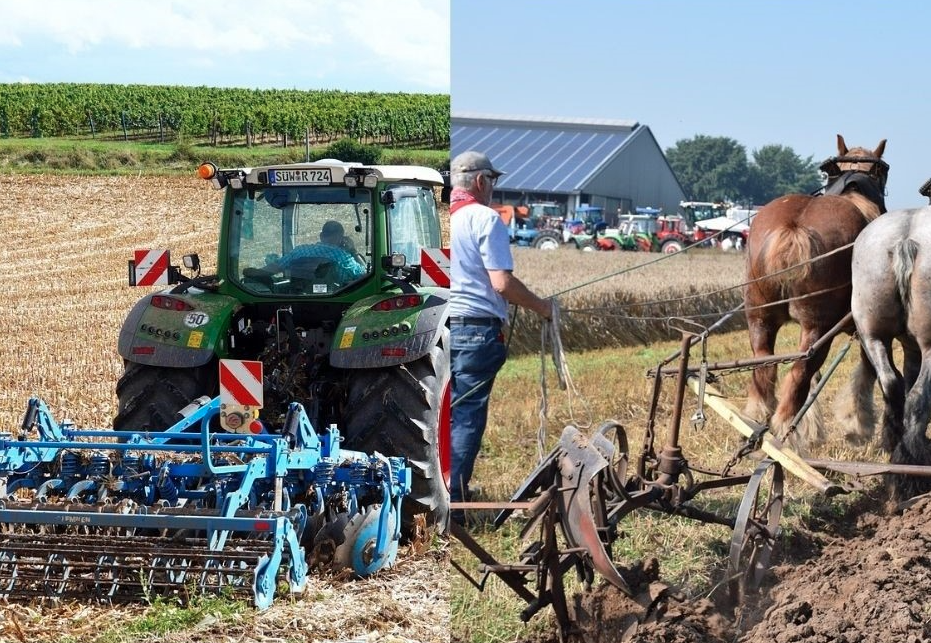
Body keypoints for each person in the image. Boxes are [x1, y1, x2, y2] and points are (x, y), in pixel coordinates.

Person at [448, 150, 553, 524]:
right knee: (466, 417)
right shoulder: (484, 218)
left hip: (438, 329)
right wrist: (543, 307)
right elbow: (501, 283)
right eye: (493, 180)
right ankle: (454, 504)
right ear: (480, 181)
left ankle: (434, 494)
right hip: (475, 331)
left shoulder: (441, 219)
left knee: (441, 415)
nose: (493, 188)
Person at [247, 220, 366, 284]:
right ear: (341, 238)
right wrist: (353, 251)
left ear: (321, 236)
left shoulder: (300, 251)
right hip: (333, 300)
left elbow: (276, 267)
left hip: (296, 299)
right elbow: (363, 275)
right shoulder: (342, 256)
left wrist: (256, 273)